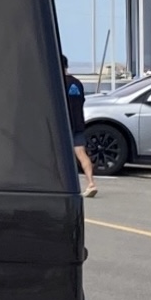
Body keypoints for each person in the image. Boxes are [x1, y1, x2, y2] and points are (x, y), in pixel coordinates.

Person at [64, 60, 96, 197]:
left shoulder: (59, 83)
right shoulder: (77, 83)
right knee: (81, 154)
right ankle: (91, 183)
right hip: (78, 123)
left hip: (64, 124)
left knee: (59, 155)